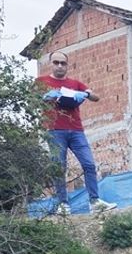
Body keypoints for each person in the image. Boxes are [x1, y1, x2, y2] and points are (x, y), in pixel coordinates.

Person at [37, 51, 117, 215]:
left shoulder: (74, 83)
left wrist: (85, 94)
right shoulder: (41, 82)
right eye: (56, 62)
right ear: (51, 64)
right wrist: (46, 97)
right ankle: (63, 204)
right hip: (54, 130)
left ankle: (94, 202)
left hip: (76, 130)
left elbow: (96, 97)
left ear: (67, 65)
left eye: (63, 63)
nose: (60, 66)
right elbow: (32, 99)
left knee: (88, 164)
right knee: (59, 167)